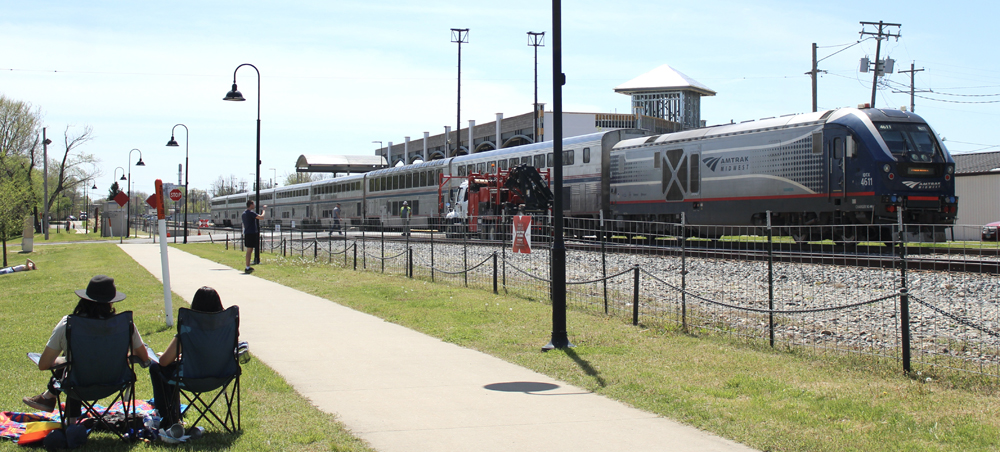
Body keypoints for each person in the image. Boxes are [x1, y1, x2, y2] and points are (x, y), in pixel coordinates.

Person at [23, 275, 151, 422]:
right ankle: (50, 398)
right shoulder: (125, 324)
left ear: (84, 298)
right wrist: (120, 355)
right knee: (77, 359)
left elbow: (44, 364)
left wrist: (66, 360)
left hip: (79, 385)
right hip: (115, 382)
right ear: (111, 301)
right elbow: (144, 358)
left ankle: (57, 406)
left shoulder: (68, 325)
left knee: (75, 359)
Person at [148, 287, 226, 430]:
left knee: (157, 367)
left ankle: (168, 418)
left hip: (191, 378)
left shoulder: (188, 329)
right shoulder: (226, 329)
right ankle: (173, 416)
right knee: (173, 366)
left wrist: (173, 358)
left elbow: (164, 361)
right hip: (221, 376)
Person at [241, 200, 266, 274]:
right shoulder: (250, 213)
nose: (254, 205)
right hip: (251, 233)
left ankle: (248, 266)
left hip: (247, 233)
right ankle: (247, 267)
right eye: (253, 204)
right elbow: (261, 217)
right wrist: (264, 210)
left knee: (249, 250)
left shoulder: (243, 214)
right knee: (249, 251)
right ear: (250, 205)